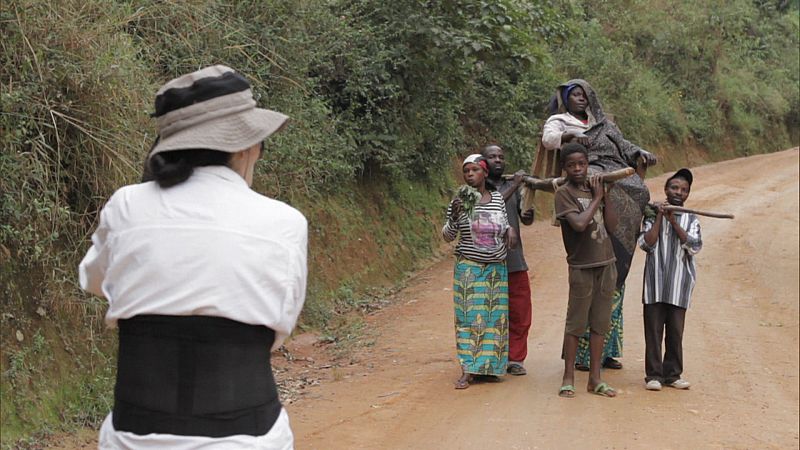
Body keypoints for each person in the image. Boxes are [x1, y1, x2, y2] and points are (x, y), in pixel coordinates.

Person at [79, 65, 308, 449]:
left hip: (133, 437)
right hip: (246, 436)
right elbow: (277, 326)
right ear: (245, 146)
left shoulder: (126, 206)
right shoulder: (285, 223)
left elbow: (95, 282)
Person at [542, 79, 658, 371]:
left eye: (584, 95)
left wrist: (641, 153)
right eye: (574, 95)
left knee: (639, 190)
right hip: (589, 170)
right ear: (567, 100)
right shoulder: (560, 121)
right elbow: (549, 140)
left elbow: (626, 146)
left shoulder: (605, 124)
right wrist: (570, 135)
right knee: (595, 186)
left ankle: (622, 235)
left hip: (614, 168)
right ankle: (580, 360)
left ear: (591, 98)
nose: (580, 99)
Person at [442, 154, 518, 389]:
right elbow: (447, 236)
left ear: (485, 173)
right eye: (466, 171)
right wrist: (454, 216)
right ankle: (468, 370)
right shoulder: (461, 199)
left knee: (495, 320)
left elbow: (504, 224)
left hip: (496, 270)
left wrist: (510, 231)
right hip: (470, 270)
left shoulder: (496, 198)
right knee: (467, 321)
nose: (470, 175)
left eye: (475, 170)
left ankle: (490, 368)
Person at [554, 142, 618, 398]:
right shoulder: (564, 193)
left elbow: (612, 227)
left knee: (600, 324)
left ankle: (595, 378)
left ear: (588, 163)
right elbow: (579, 224)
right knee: (576, 324)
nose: (578, 169)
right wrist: (597, 198)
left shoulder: (596, 189)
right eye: (572, 165)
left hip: (606, 263)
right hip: (581, 266)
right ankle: (568, 377)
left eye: (582, 163)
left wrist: (607, 195)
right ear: (565, 168)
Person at [638, 168, 702, 391]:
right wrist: (659, 217)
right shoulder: (651, 214)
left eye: (684, 190)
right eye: (674, 187)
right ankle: (654, 375)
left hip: (679, 286)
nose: (679, 192)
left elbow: (694, 247)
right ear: (666, 190)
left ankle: (673, 375)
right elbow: (647, 244)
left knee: (675, 332)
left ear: (687, 194)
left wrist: (674, 222)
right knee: (653, 331)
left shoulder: (691, 217)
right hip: (655, 284)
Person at [481, 145, 535, 376]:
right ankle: (489, 356)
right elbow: (492, 206)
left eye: (501, 157)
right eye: (492, 157)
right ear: (483, 163)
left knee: (520, 312)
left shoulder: (513, 186)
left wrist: (528, 214)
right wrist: (515, 185)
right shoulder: (477, 189)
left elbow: (526, 219)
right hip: (486, 260)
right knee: (488, 312)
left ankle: (515, 358)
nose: (498, 160)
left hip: (514, 259)